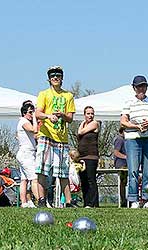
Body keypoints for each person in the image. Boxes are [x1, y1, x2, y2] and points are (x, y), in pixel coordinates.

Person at [35, 65, 76, 208]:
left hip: (61, 139)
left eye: (58, 75)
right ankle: (41, 200)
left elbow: (70, 118)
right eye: (53, 76)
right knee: (42, 170)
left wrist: (62, 115)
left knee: (63, 172)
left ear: (62, 78)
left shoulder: (68, 96)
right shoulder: (43, 94)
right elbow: (37, 113)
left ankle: (69, 202)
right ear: (49, 79)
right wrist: (48, 116)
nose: (55, 78)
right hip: (46, 136)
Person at [120, 75, 148, 209]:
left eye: (143, 86)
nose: (141, 89)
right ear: (134, 88)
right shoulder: (129, 102)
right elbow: (123, 121)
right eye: (139, 86)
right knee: (133, 171)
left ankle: (147, 199)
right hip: (133, 139)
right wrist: (136, 126)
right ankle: (133, 200)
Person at [16, 102, 38, 208]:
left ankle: (24, 202)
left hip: (27, 153)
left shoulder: (24, 121)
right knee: (34, 178)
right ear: (24, 113)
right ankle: (40, 200)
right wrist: (34, 117)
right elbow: (34, 130)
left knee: (24, 180)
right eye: (30, 112)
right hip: (26, 154)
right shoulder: (24, 121)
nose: (32, 114)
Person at [78, 106, 100, 208]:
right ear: (84, 115)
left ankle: (93, 203)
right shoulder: (83, 124)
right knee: (84, 180)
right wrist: (83, 122)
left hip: (91, 157)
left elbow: (80, 132)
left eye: (92, 113)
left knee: (91, 180)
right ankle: (86, 202)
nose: (90, 116)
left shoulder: (95, 124)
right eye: (88, 113)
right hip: (81, 157)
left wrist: (83, 123)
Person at [113, 127, 128, 207]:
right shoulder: (119, 139)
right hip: (121, 165)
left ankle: (125, 200)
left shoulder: (125, 140)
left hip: (125, 164)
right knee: (122, 183)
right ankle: (123, 200)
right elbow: (116, 152)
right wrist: (126, 157)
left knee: (124, 183)